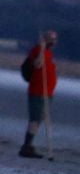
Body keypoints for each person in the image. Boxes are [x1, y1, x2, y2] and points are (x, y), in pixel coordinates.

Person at [21, 30, 58, 159]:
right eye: (51, 39)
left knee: (38, 120)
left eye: (54, 39)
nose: (53, 42)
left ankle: (28, 145)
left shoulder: (49, 53)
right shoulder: (38, 50)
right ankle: (26, 146)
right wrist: (42, 48)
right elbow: (37, 64)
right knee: (35, 119)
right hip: (38, 92)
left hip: (47, 92)